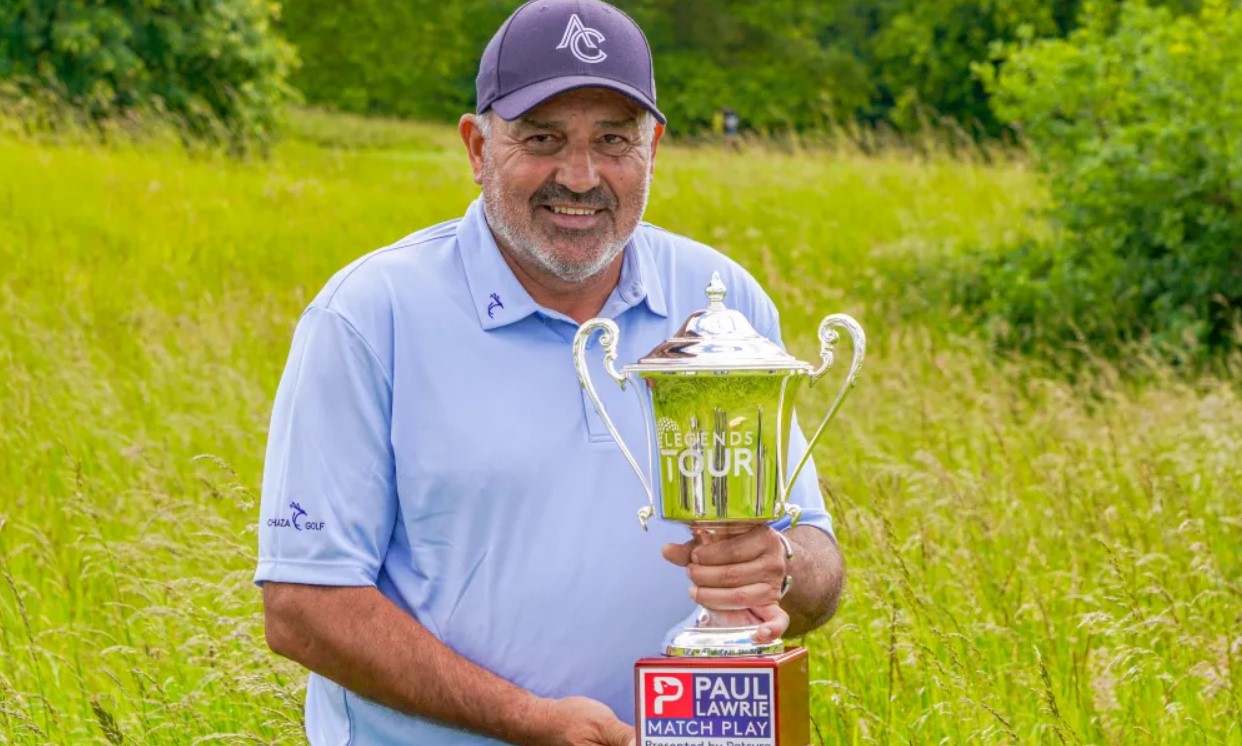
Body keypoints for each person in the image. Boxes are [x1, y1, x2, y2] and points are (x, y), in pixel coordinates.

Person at [255, 1, 845, 744]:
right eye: (542, 138)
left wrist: (776, 567)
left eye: (613, 140)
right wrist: (527, 722)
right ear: (476, 147)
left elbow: (817, 563)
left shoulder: (719, 299)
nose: (579, 175)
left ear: (653, 149)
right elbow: (303, 604)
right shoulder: (371, 315)